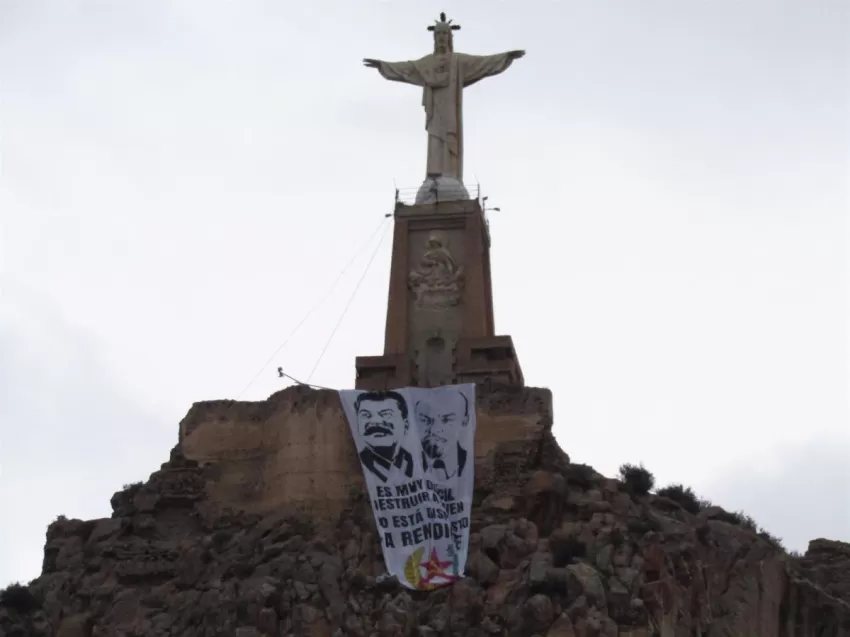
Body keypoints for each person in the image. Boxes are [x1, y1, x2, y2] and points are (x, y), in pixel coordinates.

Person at [354, 390, 415, 483]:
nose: (375, 421)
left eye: (386, 414)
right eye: (366, 415)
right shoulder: (355, 465)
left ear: (406, 425)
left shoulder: (415, 461)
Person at [416, 389, 470, 481]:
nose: (433, 430)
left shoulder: (470, 463)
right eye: (425, 420)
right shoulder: (403, 465)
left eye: (446, 420)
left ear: (464, 422)